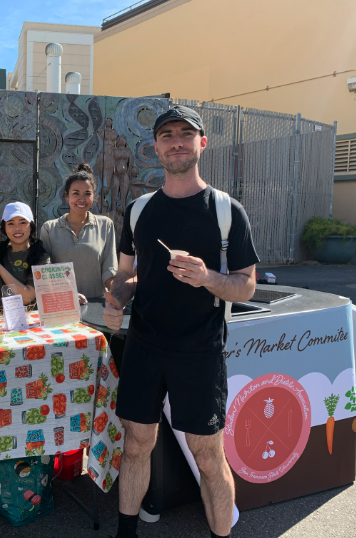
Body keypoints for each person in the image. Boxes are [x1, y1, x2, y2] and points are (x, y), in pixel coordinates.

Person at [103, 106, 259, 538]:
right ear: (155, 146)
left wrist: (208, 277)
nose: (175, 142)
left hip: (199, 349)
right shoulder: (138, 210)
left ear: (201, 144)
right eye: (166, 135)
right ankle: (126, 533)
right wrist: (118, 295)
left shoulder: (227, 211)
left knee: (208, 456)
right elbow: (129, 274)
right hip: (145, 345)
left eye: (185, 134)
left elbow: (246, 287)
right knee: (136, 444)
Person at [40, 163, 117, 301]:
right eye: (76, 193)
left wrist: (117, 292)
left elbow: (109, 268)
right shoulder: (49, 229)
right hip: (62, 304)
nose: (82, 199)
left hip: (96, 305)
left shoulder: (105, 225)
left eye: (87, 194)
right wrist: (68, 294)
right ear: (66, 196)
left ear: (94, 196)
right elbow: (45, 272)